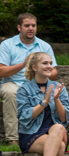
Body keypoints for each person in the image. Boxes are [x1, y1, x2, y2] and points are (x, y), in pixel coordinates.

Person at [16, 52, 69, 156]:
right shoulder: (24, 90)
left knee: (59, 127)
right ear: (34, 67)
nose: (49, 66)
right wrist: (45, 101)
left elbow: (64, 118)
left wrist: (56, 99)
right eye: (45, 63)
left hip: (55, 132)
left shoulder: (59, 87)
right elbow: (25, 117)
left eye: (50, 63)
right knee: (59, 147)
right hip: (32, 134)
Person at [0, 13, 57, 146]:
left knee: (53, 92)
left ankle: (43, 135)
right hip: (12, 83)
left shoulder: (44, 46)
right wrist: (23, 65)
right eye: (27, 26)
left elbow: (54, 72)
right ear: (19, 27)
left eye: (33, 25)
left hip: (37, 84)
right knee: (10, 92)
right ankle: (13, 139)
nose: (30, 28)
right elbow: (1, 71)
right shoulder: (7, 45)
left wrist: (46, 70)